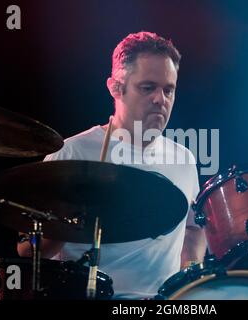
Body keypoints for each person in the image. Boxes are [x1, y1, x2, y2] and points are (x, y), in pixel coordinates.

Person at [18, 31, 207, 299]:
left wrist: (190, 269)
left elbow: (194, 226)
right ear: (115, 88)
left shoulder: (184, 158)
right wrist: (72, 215)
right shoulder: (74, 152)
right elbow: (27, 249)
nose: (160, 99)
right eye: (147, 87)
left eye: (169, 90)